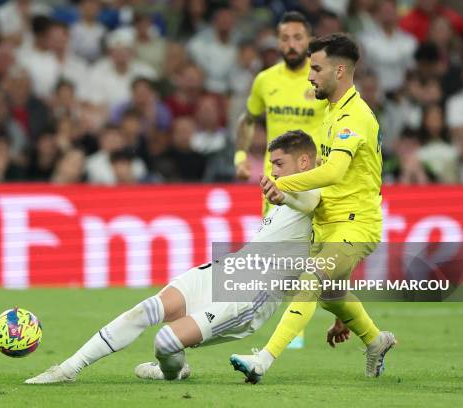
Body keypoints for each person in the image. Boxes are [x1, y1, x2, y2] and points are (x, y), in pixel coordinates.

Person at [25, 130, 321, 384]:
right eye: (272, 165)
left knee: (164, 341)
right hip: (226, 270)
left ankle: (171, 372)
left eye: (279, 164)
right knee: (145, 310)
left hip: (250, 295)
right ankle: (67, 369)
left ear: (304, 162)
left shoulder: (315, 193)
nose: (274, 172)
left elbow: (309, 202)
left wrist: (285, 196)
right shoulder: (281, 194)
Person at [230, 33, 396, 384]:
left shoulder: (354, 117)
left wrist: (283, 183)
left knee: (311, 280)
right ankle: (376, 340)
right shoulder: (332, 111)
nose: (310, 76)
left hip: (355, 223)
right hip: (328, 222)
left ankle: (263, 360)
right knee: (329, 293)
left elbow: (334, 172)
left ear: (339, 71)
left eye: (316, 68)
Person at [234, 11, 328, 215]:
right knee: (275, 247)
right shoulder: (265, 80)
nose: (291, 45)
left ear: (310, 41)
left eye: (297, 38)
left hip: (314, 183)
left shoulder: (322, 78)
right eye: (285, 38)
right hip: (275, 185)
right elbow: (248, 119)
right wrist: (241, 157)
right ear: (278, 42)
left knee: (314, 246)